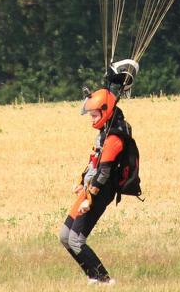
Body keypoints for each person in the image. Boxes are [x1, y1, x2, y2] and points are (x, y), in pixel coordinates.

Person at [59, 87, 132, 285]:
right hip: (89, 191)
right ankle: (93, 276)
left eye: (94, 115)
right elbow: (94, 162)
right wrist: (81, 181)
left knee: (76, 240)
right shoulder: (104, 134)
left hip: (98, 194)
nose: (92, 119)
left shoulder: (114, 139)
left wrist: (89, 200)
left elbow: (104, 173)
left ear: (105, 112)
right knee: (65, 237)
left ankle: (105, 280)